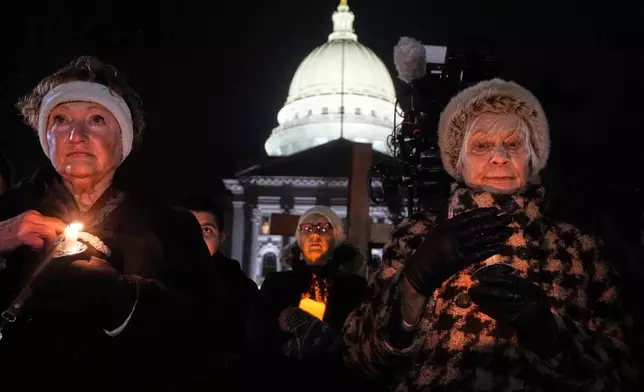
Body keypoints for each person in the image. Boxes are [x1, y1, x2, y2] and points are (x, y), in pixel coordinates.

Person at [343, 79, 634, 391]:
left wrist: (550, 334)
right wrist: (413, 285)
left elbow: (623, 370)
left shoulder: (579, 247)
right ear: (458, 160)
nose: (499, 157)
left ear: (532, 158)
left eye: (513, 144)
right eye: (481, 145)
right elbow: (360, 359)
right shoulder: (415, 236)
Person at [0, 56, 225, 391]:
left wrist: (125, 298)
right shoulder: (7, 212)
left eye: (96, 119)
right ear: (45, 136)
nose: (76, 135)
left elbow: (207, 341)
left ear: (124, 139)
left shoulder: (171, 227)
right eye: (60, 119)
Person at [261, 206, 369, 391]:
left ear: (337, 238)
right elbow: (258, 334)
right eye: (307, 228)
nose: (314, 235)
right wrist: (278, 325)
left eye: (322, 227)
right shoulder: (276, 283)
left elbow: (362, 339)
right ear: (299, 241)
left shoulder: (355, 287)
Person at [181, 195, 283, 390]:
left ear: (221, 238)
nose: (196, 238)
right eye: (188, 230)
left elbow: (260, 353)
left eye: (206, 230)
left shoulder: (242, 290)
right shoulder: (157, 280)